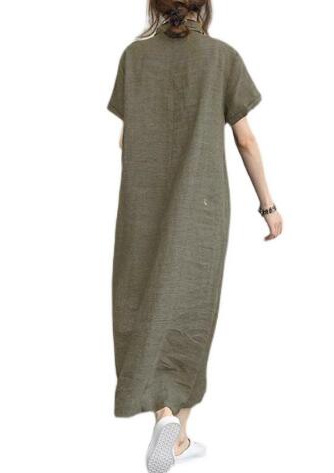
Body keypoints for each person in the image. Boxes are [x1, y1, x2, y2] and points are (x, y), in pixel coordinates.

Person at [107, 1, 283, 471]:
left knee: (139, 301)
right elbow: (245, 140)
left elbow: (126, 139)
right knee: (190, 308)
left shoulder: (133, 57)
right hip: (201, 207)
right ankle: (177, 429)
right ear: (202, 6)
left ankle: (168, 423)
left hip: (142, 206)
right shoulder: (221, 57)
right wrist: (268, 205)